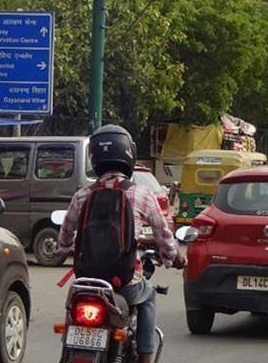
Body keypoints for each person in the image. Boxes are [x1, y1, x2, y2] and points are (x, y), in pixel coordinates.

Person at [57, 125, 186, 363]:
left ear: (94, 157)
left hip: (88, 280)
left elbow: (65, 234)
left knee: (72, 307)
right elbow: (163, 235)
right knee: (148, 298)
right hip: (126, 280)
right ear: (129, 154)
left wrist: (63, 249)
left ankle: (66, 351)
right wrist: (174, 258)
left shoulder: (83, 194)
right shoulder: (141, 194)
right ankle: (146, 358)